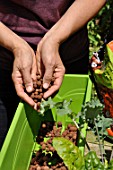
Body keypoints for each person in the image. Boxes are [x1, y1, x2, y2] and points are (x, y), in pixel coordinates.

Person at [0, 0, 106, 148]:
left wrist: (55, 38)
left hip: (68, 55)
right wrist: (16, 46)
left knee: (69, 142)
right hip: (3, 63)